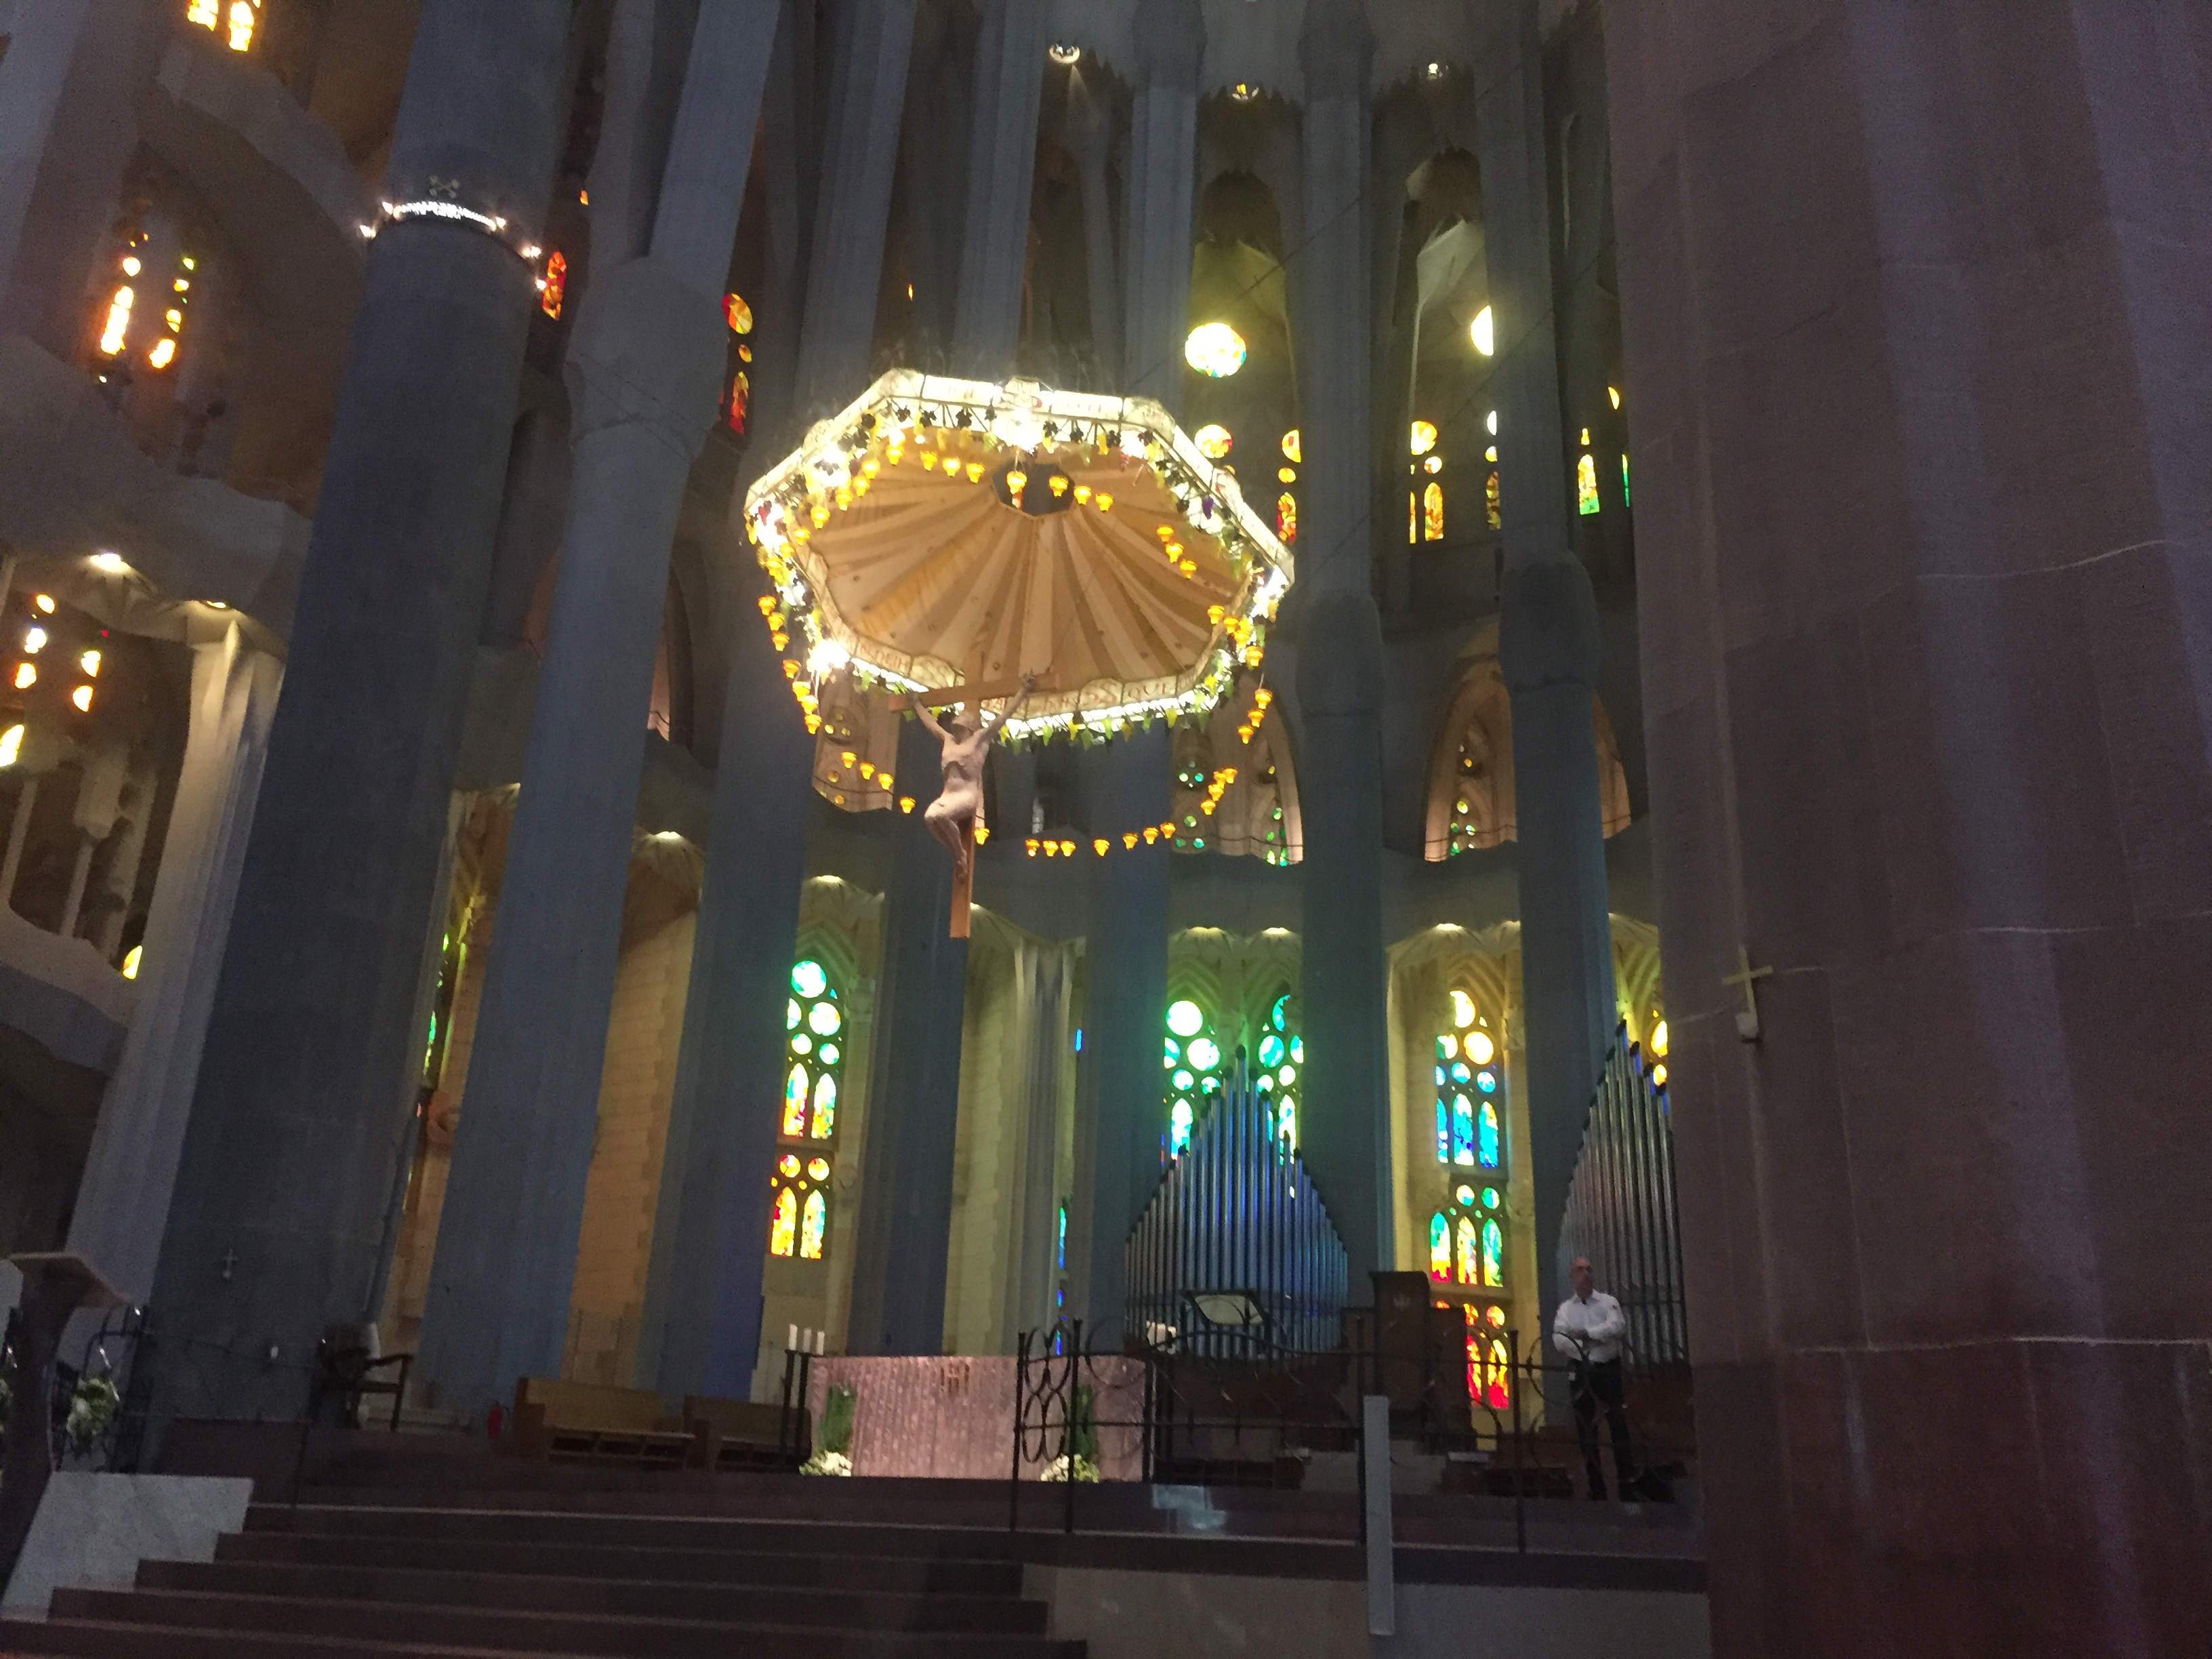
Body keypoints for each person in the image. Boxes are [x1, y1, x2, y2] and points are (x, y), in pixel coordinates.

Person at [914, 674, 1035, 879]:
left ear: (970, 728)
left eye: (961, 727)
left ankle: (961, 854)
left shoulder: (979, 740)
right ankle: (957, 852)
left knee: (940, 816)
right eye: (956, 726)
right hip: (948, 794)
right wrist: (916, 704)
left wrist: (1022, 693)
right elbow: (931, 724)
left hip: (966, 795)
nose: (957, 729)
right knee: (929, 818)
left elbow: (1001, 719)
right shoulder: (949, 740)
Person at [1553, 1256, 1636, 1500]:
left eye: (1589, 1269)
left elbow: (1617, 1327)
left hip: (1607, 1369)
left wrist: (1588, 1334)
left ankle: (1627, 1484)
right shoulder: (1565, 1310)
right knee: (1585, 1428)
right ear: (1572, 1276)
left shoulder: (1608, 1302)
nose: (1586, 1273)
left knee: (1618, 1423)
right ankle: (1596, 1486)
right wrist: (1584, 1345)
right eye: (1580, 1269)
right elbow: (1559, 1340)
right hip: (1581, 1370)